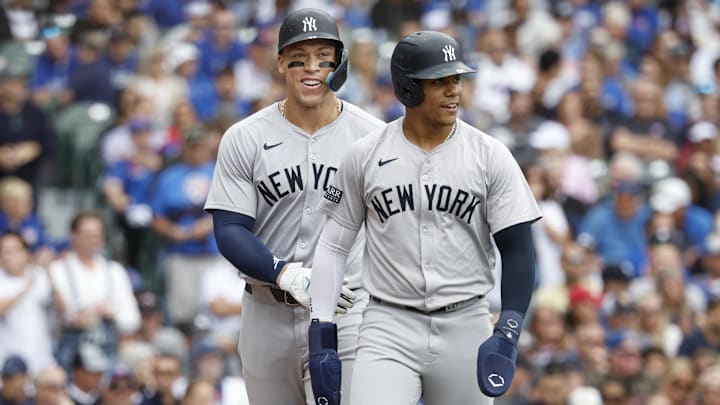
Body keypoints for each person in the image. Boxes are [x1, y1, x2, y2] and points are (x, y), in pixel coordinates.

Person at [307, 30, 541, 405]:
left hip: (466, 321)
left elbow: (518, 249)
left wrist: (509, 326)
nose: (454, 90)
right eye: (439, 81)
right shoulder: (364, 155)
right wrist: (322, 331)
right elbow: (334, 245)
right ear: (408, 88)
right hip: (388, 324)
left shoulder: (490, 155)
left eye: (456, 79)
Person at [203, 8, 385, 405]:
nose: (311, 67)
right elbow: (229, 229)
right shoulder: (244, 137)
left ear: (339, 63)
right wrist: (283, 273)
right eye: (299, 56)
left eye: (323, 56)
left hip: (346, 312)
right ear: (281, 62)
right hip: (267, 311)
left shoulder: (372, 136)